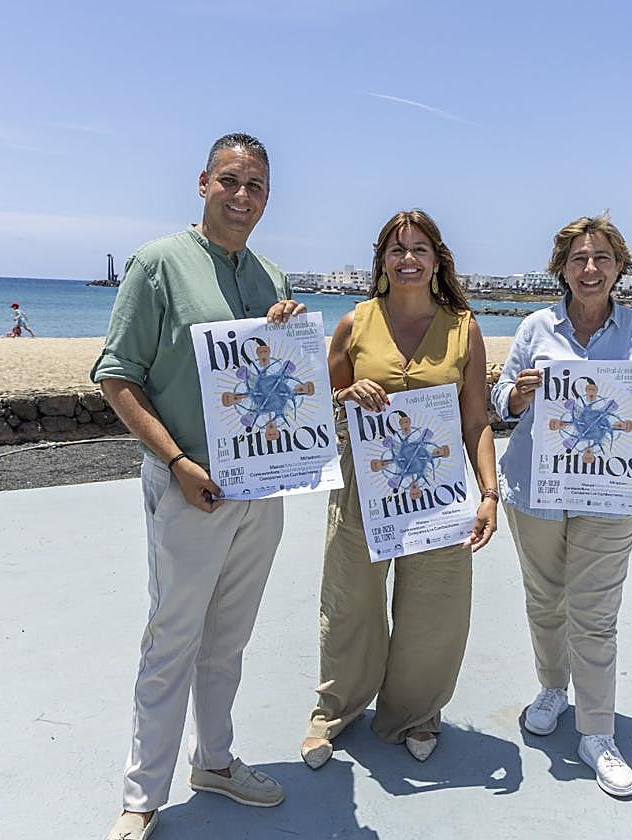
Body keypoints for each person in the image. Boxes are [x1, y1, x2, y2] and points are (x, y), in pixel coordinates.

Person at [91, 133, 306, 840]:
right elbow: (116, 376)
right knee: (171, 640)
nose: (244, 197)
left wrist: (289, 329)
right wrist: (178, 463)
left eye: (257, 187)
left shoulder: (269, 274)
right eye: (231, 182)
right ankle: (141, 797)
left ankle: (215, 761)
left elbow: (274, 381)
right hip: (188, 487)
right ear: (203, 183)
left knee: (228, 642)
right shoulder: (158, 263)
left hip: (259, 488)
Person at [300, 209, 499, 769]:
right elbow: (316, 398)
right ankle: (333, 711)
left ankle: (415, 713)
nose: (407, 259)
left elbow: (476, 421)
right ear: (382, 260)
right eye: (396, 249)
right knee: (349, 602)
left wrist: (489, 493)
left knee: (435, 605)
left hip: (440, 492)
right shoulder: (355, 322)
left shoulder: (464, 327)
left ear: (438, 260)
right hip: (364, 488)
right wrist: (347, 394)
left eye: (419, 250)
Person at [491, 213, 632, 799]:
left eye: (601, 259)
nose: (589, 270)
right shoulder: (535, 326)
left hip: (609, 496)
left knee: (594, 615)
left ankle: (598, 732)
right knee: (545, 602)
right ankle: (551, 689)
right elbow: (502, 402)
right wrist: (514, 393)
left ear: (619, 267)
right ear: (561, 269)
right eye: (578, 260)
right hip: (535, 490)